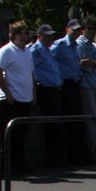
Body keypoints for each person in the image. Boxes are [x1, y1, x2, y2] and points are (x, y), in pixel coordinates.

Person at [0, 21, 35, 175]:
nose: (23, 36)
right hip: (12, 98)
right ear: (13, 35)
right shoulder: (6, 51)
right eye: (20, 33)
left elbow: (31, 74)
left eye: (25, 33)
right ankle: (7, 166)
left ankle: (20, 164)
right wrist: (8, 94)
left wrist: (34, 94)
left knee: (21, 134)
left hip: (25, 97)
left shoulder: (27, 51)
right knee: (11, 134)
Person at [51, 18, 88, 165]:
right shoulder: (59, 45)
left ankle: (78, 154)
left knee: (78, 122)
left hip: (75, 85)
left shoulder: (75, 46)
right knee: (69, 122)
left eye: (79, 30)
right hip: (65, 86)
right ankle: (70, 156)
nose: (76, 33)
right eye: (74, 30)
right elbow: (48, 61)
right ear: (67, 29)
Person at [31, 23, 65, 170]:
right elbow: (30, 70)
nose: (51, 38)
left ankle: (57, 159)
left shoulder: (48, 50)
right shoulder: (35, 50)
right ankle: (54, 161)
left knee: (57, 126)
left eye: (52, 35)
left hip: (56, 90)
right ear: (39, 36)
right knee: (53, 126)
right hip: (46, 91)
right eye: (47, 36)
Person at [76, 17, 96, 159]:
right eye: (90, 28)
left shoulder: (95, 46)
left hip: (95, 82)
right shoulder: (79, 44)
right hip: (85, 84)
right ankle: (92, 150)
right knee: (91, 118)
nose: (92, 31)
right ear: (83, 29)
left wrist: (93, 63)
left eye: (95, 29)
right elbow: (83, 62)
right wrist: (94, 63)